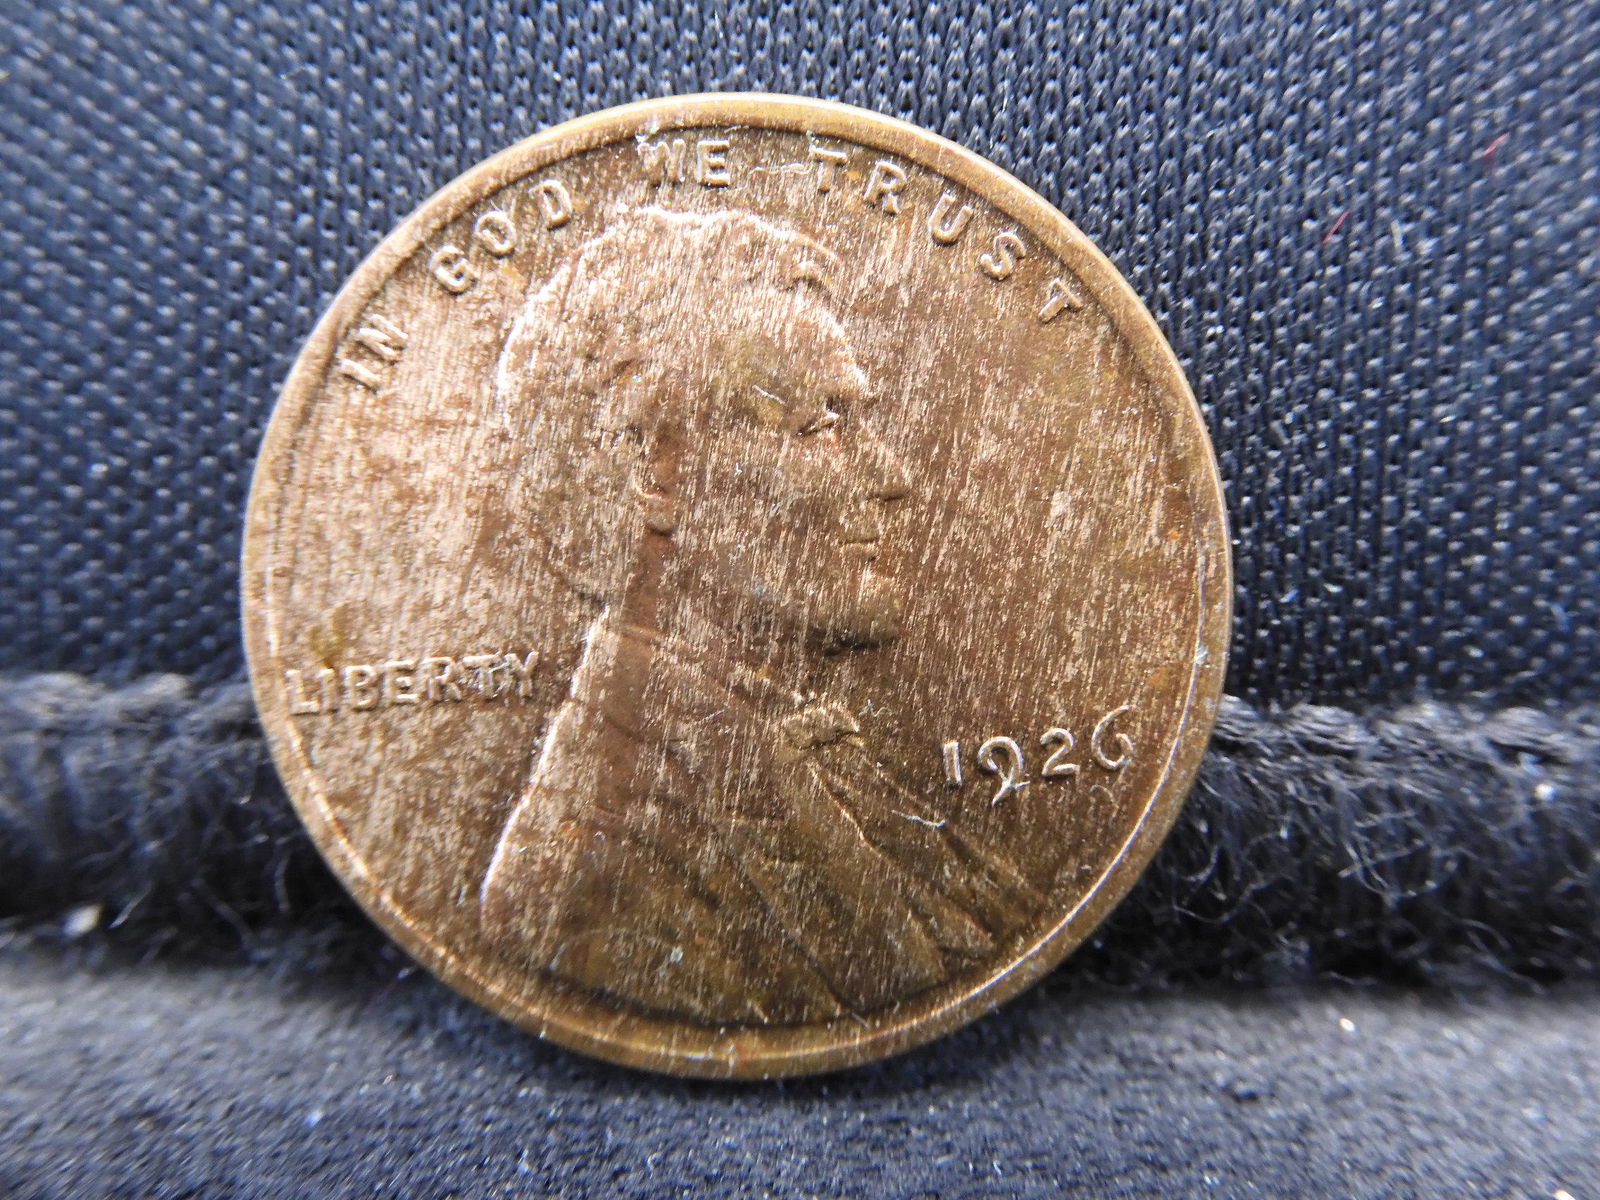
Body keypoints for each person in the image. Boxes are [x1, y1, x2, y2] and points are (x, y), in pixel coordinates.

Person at [478, 206, 1039, 1025]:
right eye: (818, 427)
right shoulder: (584, 882)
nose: (891, 478)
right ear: (650, 475)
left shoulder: (796, 750)